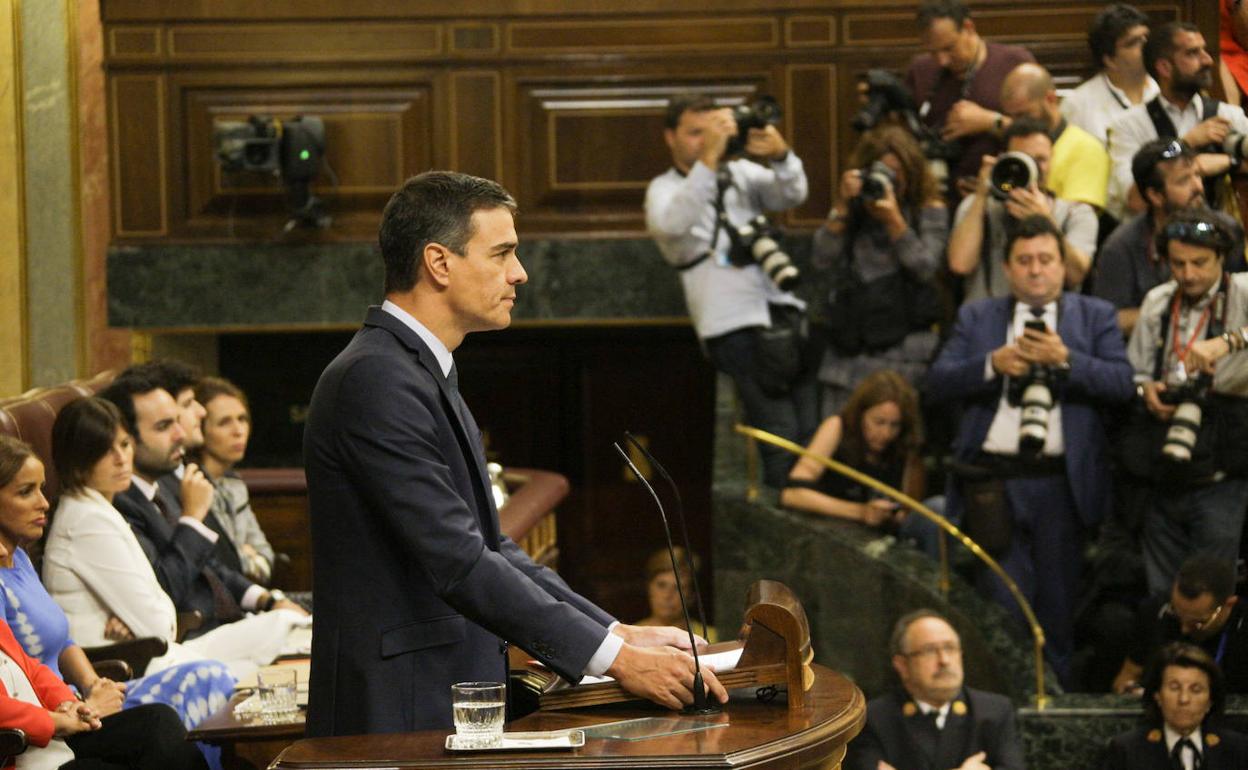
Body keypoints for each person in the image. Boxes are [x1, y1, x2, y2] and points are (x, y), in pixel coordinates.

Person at [303, 170, 727, 737]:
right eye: (502, 253)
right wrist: (616, 661)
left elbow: (492, 544)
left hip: (434, 695)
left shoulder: (419, 371)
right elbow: (458, 560)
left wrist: (615, 632)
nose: (519, 273)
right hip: (397, 710)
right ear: (439, 262)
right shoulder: (375, 379)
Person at [926, 215, 1135, 682]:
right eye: (1024, 261)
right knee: (1003, 603)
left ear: (1064, 265)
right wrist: (991, 364)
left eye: (1045, 260)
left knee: (1059, 608)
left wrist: (1066, 360)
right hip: (992, 485)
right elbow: (935, 383)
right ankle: (1012, 700)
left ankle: (1052, 703)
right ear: (1007, 268)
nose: (1035, 270)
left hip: (1061, 486)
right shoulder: (977, 316)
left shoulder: (1094, 315)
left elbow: (1123, 385)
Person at [44, 397, 303, 681]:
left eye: (124, 444)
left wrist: (137, 617)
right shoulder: (86, 521)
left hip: (158, 650)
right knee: (257, 675)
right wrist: (142, 618)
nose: (121, 458)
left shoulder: (99, 508)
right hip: (131, 666)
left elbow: (155, 606)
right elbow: (158, 625)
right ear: (77, 462)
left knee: (287, 624)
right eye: (104, 451)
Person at [0, 430, 234, 731]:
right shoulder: (83, 520)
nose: (44, 503)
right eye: (25, 492)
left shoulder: (17, 555)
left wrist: (93, 685)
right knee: (190, 696)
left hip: (73, 704)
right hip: (48, 725)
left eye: (42, 489)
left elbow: (61, 642)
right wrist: (76, 710)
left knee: (209, 684)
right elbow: (15, 672)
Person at [645, 92, 816, 488]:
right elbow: (673, 224)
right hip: (732, 325)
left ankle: (803, 497)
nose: (705, 141)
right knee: (779, 433)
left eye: (713, 132)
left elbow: (791, 194)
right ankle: (788, 505)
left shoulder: (740, 173)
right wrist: (708, 161)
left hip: (779, 308)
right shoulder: (662, 189)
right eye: (694, 134)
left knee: (809, 427)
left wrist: (781, 156)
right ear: (670, 137)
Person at [97, 372, 304, 639]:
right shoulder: (120, 504)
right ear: (127, 439)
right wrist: (193, 519)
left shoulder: (162, 486)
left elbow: (212, 566)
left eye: (176, 422)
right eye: (163, 426)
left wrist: (267, 601)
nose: (180, 434)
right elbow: (162, 590)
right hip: (197, 636)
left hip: (234, 622)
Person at [1123, 210, 1248, 595]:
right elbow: (1136, 374)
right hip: (1165, 465)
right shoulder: (1158, 302)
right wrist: (1148, 392)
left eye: (1200, 263)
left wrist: (1228, 341)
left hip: (1224, 470)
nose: (1189, 274)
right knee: (1164, 593)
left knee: (1211, 592)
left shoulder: (1243, 290)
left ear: (1222, 258)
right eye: (1178, 264)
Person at [814, 126, 946, 417]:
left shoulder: (928, 209)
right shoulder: (853, 209)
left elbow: (926, 267)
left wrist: (895, 222)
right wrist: (841, 207)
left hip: (903, 351)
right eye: (881, 170)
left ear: (911, 173)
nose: (888, 179)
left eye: (897, 172)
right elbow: (821, 260)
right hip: (849, 350)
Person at [1093, 139, 1246, 335]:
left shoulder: (1227, 229)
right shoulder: (1121, 246)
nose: (1198, 186)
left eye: (1197, 175)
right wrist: (1175, 314)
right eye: (1184, 181)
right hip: (1153, 351)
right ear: (1155, 195)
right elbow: (1108, 319)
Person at [844, 610, 1024, 770]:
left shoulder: (995, 711)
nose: (944, 660)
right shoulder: (874, 719)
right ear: (902, 665)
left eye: (950, 648)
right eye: (929, 650)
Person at [1106, 21, 1248, 222]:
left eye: (1204, 51)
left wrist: (1229, 161)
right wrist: (1184, 145)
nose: (1207, 60)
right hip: (1156, 243)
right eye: (1192, 53)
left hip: (1221, 239)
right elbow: (1135, 200)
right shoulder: (1128, 125)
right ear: (1165, 67)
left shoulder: (1228, 115)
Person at [781, 371, 938, 553]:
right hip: (830, 531)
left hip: (882, 542)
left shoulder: (905, 445)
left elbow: (908, 509)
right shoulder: (837, 427)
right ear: (861, 414)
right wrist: (861, 512)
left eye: (894, 425)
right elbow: (792, 494)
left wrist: (892, 515)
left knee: (937, 509)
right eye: (878, 422)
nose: (886, 434)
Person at [947, 118, 1099, 302]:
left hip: (1053, 322)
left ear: (1052, 160)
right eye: (1023, 159)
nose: (1033, 167)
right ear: (1003, 159)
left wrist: (1046, 220)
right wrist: (981, 193)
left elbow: (1075, 275)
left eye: (1040, 160)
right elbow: (960, 264)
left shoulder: (1076, 213)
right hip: (986, 323)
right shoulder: (977, 206)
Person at [904, 0, 1034, 205]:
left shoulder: (1014, 63)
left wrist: (991, 122)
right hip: (937, 203)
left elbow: (1041, 136)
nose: (942, 61)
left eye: (949, 48)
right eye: (932, 52)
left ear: (968, 28)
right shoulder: (921, 70)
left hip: (1005, 195)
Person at [1113, 555, 1248, 696]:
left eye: (1197, 622)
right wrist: (1128, 690)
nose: (1184, 629)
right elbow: (1127, 676)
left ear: (1228, 604)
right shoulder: (1155, 611)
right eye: (1177, 615)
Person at [1108, 642, 1248, 769]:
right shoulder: (1127, 750)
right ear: (1158, 695)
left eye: (1196, 689)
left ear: (1210, 701)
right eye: (1174, 688)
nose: (1184, 699)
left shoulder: (1237, 750)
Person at [192, 377, 275, 585]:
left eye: (242, 419)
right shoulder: (192, 485)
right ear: (200, 429)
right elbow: (220, 564)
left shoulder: (234, 484)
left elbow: (266, 555)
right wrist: (248, 557)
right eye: (224, 422)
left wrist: (252, 558)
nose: (238, 431)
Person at [999, 62, 1110, 210]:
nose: (1015, 123)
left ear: (1050, 99)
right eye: (1010, 116)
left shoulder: (1085, 149)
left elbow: (1079, 220)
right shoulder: (1015, 143)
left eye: (1023, 114)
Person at [1061, 4, 1158, 146]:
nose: (1147, 46)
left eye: (1147, 38)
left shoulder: (1168, 91)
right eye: (1133, 42)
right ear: (1110, 60)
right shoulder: (1078, 105)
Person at [634, 547, 715, 642]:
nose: (667, 595)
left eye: (678, 588)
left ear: (692, 595)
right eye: (661, 585)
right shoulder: (629, 638)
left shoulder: (712, 637)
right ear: (649, 588)